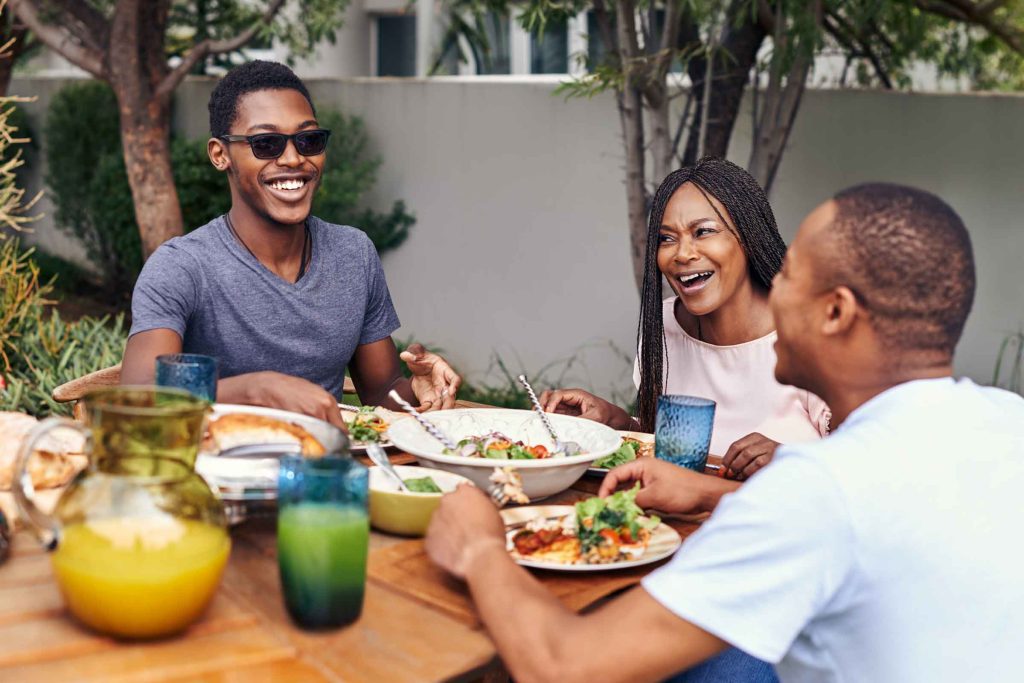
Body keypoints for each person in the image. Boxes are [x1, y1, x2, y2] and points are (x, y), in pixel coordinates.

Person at [425, 182, 1024, 682]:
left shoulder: (822, 490)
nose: (771, 290)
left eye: (788, 275)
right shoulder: (1007, 423)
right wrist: (711, 492)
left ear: (835, 312)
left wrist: (479, 545)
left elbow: (563, 666)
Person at [121, 61, 459, 428]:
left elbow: (381, 395)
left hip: (325, 471)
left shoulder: (353, 254)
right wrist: (257, 390)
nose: (294, 158)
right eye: (266, 144)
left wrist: (418, 387)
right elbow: (139, 396)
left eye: (308, 140)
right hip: (217, 473)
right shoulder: (182, 267)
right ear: (221, 155)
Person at [541, 159, 829, 480]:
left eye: (703, 232)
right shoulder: (665, 325)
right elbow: (678, 455)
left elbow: (871, 465)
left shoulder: (815, 335)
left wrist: (795, 458)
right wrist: (618, 423)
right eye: (666, 238)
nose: (682, 254)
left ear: (749, 237)